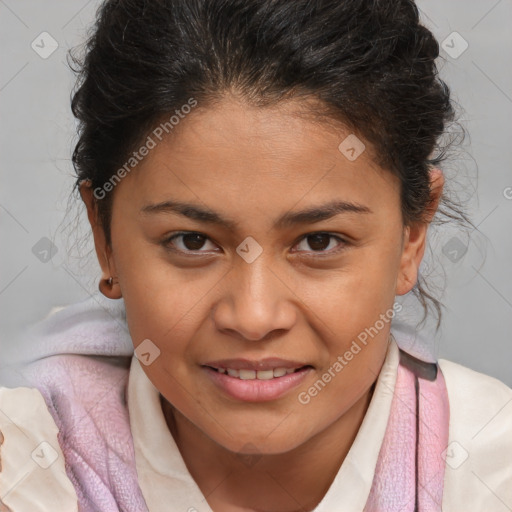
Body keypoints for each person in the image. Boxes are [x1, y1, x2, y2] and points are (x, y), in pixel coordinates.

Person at [0, 0, 511, 511]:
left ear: (413, 234)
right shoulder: (25, 457)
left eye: (319, 241)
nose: (253, 317)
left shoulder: (490, 471)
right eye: (192, 241)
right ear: (104, 239)